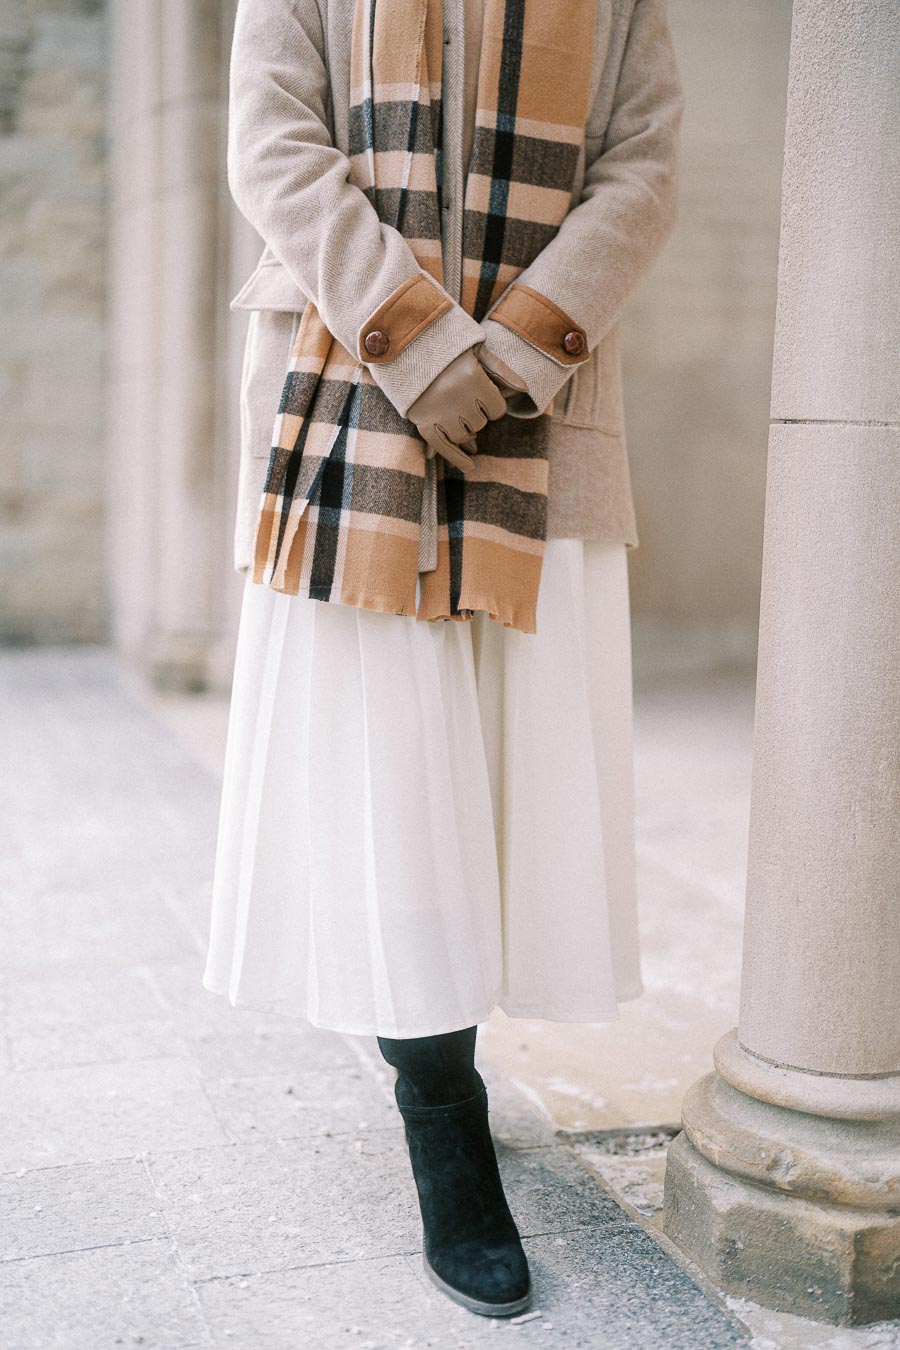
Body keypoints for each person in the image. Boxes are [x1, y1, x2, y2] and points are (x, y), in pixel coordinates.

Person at [203, 0, 683, 1319]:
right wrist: (413, 336)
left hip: (544, 402)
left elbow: (643, 155)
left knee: (513, 761)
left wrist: (522, 344)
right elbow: (271, 140)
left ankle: (441, 1043)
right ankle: (441, 1101)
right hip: (348, 388)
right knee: (399, 765)